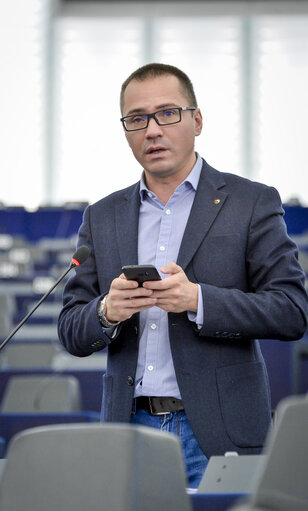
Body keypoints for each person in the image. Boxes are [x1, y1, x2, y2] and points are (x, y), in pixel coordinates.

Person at [58, 63, 308, 488]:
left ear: (197, 120)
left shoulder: (251, 202)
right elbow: (71, 330)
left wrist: (198, 300)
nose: (152, 129)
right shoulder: (102, 216)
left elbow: (292, 311)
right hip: (127, 431)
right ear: (126, 132)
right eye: (137, 119)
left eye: (167, 113)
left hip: (217, 433)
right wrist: (106, 311)